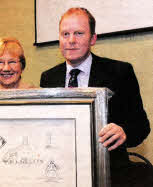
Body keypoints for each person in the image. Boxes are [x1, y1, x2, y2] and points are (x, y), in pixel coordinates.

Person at [40, 7, 152, 186]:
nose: (71, 40)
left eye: (79, 33)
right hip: (62, 173)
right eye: (65, 34)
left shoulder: (120, 72)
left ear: (93, 39)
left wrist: (124, 132)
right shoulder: (48, 77)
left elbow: (141, 127)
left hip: (111, 173)